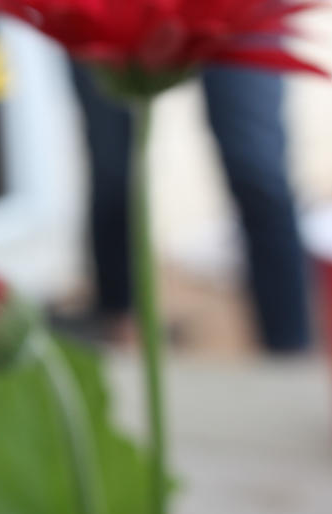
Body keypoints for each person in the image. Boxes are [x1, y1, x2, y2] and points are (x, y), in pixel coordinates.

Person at [72, 63, 311, 353]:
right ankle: (124, 344)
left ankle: (289, 355)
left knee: (257, 170)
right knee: (116, 173)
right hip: (112, 23)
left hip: (235, 23)